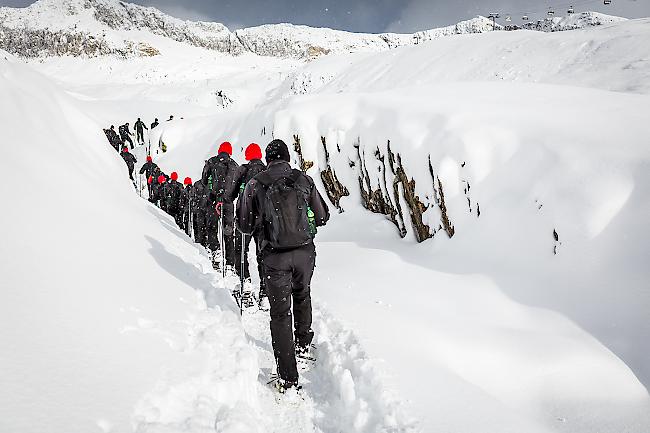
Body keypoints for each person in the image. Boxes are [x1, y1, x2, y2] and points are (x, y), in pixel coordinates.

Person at [236, 139, 330, 392]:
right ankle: (303, 343)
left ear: (267, 159)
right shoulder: (303, 180)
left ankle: (288, 377)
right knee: (302, 294)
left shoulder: (256, 184)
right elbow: (322, 216)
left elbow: (244, 226)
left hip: (275, 257)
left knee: (280, 314)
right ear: (288, 157)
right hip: (304, 253)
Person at [233, 143, 268, 308]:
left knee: (241, 250)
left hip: (245, 217)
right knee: (262, 254)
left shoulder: (243, 170)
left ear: (247, 155)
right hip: (263, 219)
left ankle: (245, 281)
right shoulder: (267, 171)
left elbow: (229, 193)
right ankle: (265, 293)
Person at [201, 141, 239, 269]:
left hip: (213, 199)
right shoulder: (234, 165)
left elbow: (204, 179)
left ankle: (216, 251)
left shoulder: (212, 162)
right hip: (228, 202)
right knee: (228, 231)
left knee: (212, 227)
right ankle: (230, 263)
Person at [192, 179, 211, 247]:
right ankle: (202, 242)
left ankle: (201, 242)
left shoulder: (198, 184)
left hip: (203, 209)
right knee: (204, 226)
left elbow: (193, 196)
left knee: (201, 226)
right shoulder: (210, 184)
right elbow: (193, 196)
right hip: (204, 209)